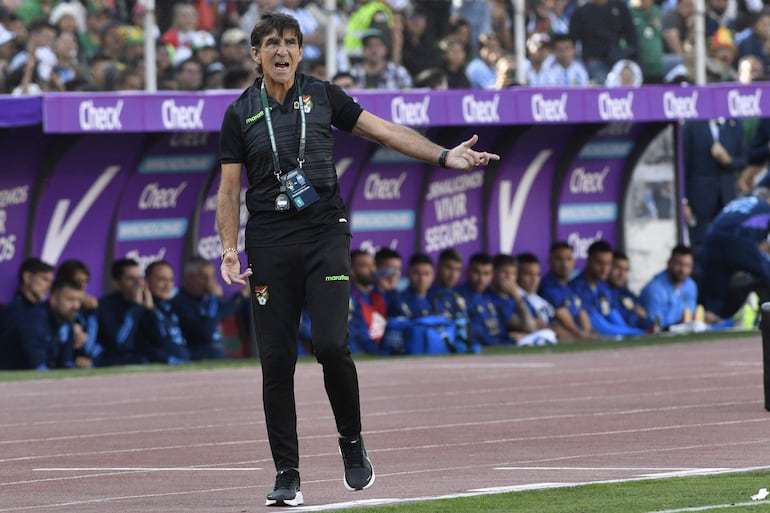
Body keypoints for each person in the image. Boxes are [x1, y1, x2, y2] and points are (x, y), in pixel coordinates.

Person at [216, 12, 499, 507]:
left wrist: (442, 156)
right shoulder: (240, 113)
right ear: (256, 55)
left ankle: (351, 441)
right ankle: (287, 474)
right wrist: (227, 248)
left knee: (329, 343)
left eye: (289, 43)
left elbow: (384, 132)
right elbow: (229, 188)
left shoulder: (324, 96)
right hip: (268, 242)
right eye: (270, 44)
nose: (281, 51)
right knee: (276, 361)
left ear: (301, 52)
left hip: (324, 233)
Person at [699, 188, 770, 320]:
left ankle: (710, 321)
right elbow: (762, 246)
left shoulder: (736, 203)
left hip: (710, 242)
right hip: (736, 242)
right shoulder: (765, 207)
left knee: (715, 297)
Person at [172, 256, 249, 361]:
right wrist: (213, 298)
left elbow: (222, 312)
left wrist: (244, 294)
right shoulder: (180, 302)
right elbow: (206, 332)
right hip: (199, 358)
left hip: (217, 356)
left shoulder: (202, 300)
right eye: (204, 277)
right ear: (189, 278)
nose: (209, 283)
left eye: (212, 276)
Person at [0, 277, 83, 370]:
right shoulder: (35, 320)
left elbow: (66, 363)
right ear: (54, 299)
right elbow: (38, 367)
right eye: (70, 299)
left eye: (79, 300)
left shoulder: (67, 321)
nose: (76, 306)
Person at [569, 241, 647, 338]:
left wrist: (637, 331)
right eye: (600, 263)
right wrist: (641, 333)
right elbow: (601, 327)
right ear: (588, 261)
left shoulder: (603, 286)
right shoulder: (576, 287)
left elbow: (616, 318)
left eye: (608, 263)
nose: (605, 268)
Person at [95, 258, 151, 367]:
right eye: (131, 279)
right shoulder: (106, 306)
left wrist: (151, 312)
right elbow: (121, 345)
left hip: (140, 360)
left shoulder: (146, 303)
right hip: (114, 362)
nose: (138, 283)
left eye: (140, 278)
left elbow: (162, 342)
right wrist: (135, 309)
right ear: (116, 283)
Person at [538, 242, 594, 340]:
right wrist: (582, 335)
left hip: (579, 336)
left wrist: (588, 332)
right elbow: (563, 318)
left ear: (574, 261)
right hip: (562, 337)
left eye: (568, 259)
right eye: (559, 259)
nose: (564, 264)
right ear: (550, 261)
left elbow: (582, 312)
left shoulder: (572, 285)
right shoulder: (548, 286)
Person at [142, 260, 190, 365]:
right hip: (162, 370)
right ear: (146, 282)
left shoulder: (176, 305)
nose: (167, 285)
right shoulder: (140, 310)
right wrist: (150, 311)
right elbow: (150, 344)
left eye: (171, 280)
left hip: (185, 364)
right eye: (161, 280)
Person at [639, 244, 699, 329]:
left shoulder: (691, 286)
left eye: (687, 266)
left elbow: (690, 318)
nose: (683, 270)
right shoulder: (654, 289)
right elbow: (656, 328)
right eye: (679, 264)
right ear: (669, 263)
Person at [456, 252, 505, 347]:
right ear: (467, 272)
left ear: (492, 275)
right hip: (479, 351)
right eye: (476, 272)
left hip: (499, 346)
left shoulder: (492, 296)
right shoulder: (459, 297)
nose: (481, 278)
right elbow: (474, 331)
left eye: (486, 274)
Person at [348, 249, 387, 354]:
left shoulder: (378, 295)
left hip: (378, 352)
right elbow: (354, 335)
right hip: (359, 354)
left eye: (373, 264)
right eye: (365, 266)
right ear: (351, 270)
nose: (372, 270)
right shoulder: (348, 297)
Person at [608, 251, 653, 331]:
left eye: (625, 270)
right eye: (617, 268)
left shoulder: (626, 294)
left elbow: (644, 319)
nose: (622, 274)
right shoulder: (601, 293)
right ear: (608, 267)